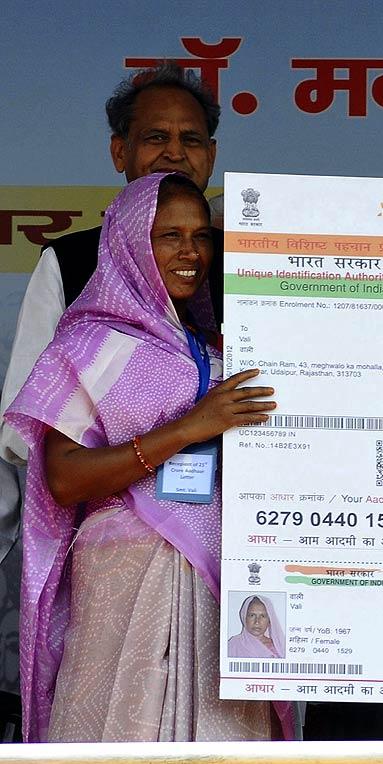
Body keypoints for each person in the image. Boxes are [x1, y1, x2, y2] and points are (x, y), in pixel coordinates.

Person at [4, 173, 296, 743]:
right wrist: (189, 428)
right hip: (123, 574)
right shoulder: (87, 344)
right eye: (168, 235)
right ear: (128, 242)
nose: (190, 252)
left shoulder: (229, 346)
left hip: (227, 578)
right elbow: (63, 479)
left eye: (201, 236)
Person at [0, 61, 221, 469]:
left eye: (191, 139)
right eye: (157, 137)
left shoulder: (239, 260)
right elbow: (25, 429)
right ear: (121, 151)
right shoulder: (69, 261)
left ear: (211, 154)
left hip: (234, 518)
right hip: (103, 517)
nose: (175, 151)